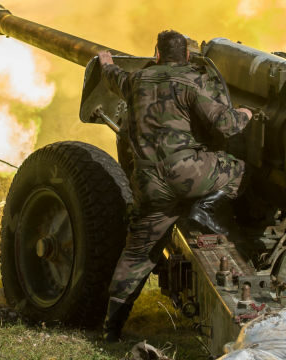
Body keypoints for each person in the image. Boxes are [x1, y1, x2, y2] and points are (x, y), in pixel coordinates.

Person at [97, 29, 253, 341]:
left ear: (156, 55)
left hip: (149, 184)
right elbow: (227, 124)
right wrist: (246, 114)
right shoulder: (191, 82)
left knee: (137, 254)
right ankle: (204, 210)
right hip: (189, 173)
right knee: (238, 169)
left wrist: (105, 62)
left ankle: (111, 327)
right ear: (186, 56)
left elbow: (114, 76)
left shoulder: (136, 82)